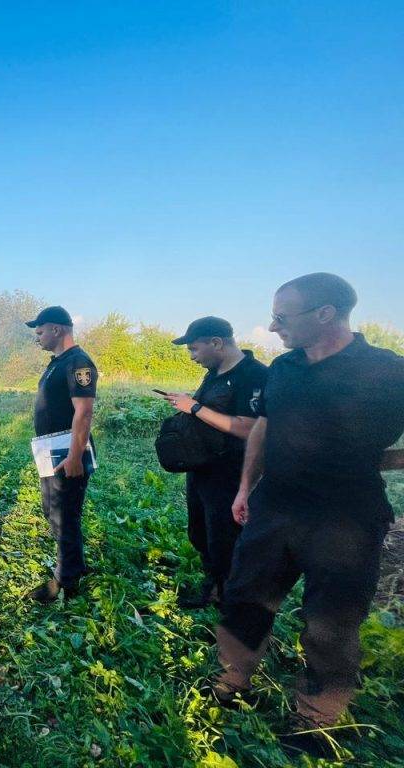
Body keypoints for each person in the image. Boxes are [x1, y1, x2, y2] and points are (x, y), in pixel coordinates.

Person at [207, 273, 404, 758]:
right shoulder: (284, 367)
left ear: (325, 314)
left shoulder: (387, 371)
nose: (272, 327)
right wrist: (245, 486)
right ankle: (233, 681)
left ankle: (315, 720)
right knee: (245, 596)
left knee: (331, 624)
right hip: (274, 507)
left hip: (347, 520)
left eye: (282, 317)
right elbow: (264, 428)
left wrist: (377, 459)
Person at [164, 317, 268, 609]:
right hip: (202, 467)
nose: (192, 357)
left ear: (217, 343)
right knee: (200, 532)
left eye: (195, 349)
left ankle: (231, 601)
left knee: (226, 538)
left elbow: (249, 428)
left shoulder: (254, 374)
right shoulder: (214, 373)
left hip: (231, 472)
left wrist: (194, 407)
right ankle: (212, 587)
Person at [24, 306, 98, 603]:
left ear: (57, 329)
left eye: (40, 332)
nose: (38, 338)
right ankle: (75, 566)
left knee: (63, 515)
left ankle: (64, 582)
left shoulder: (78, 362)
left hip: (66, 452)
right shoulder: (58, 362)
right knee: (54, 511)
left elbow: (84, 411)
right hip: (51, 450)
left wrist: (75, 456)